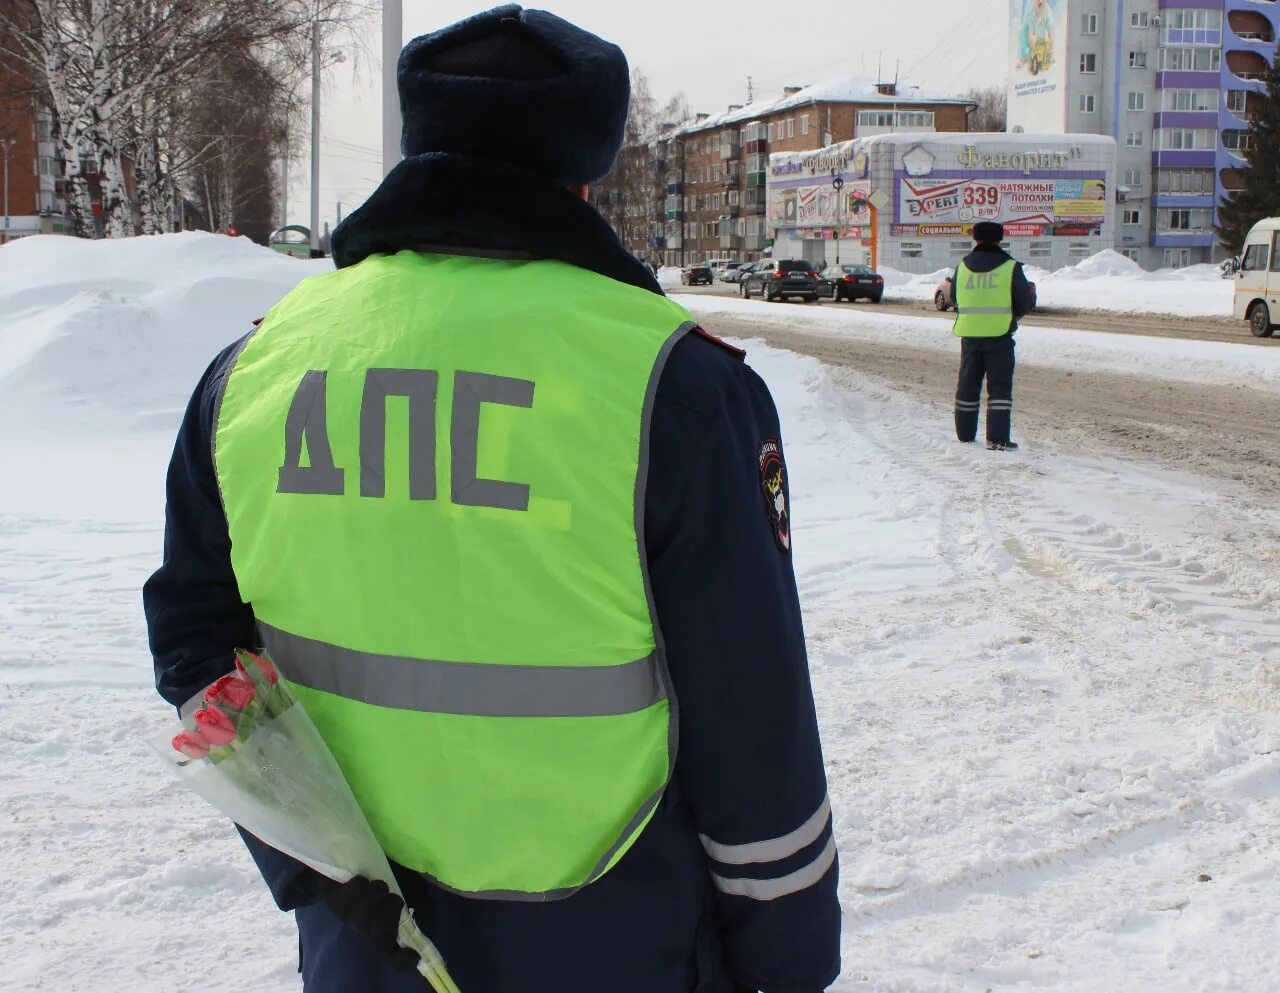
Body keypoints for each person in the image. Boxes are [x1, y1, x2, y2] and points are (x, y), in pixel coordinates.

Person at [143, 6, 840, 993]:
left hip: (367, 933)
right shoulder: (670, 386)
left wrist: (312, 865)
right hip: (612, 933)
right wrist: (786, 957)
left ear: (419, 137)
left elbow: (196, 648)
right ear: (587, 166)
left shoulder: (256, 366)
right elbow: (748, 713)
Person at [951, 220, 1033, 451]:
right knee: (999, 388)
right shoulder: (1010, 267)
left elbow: (956, 298)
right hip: (999, 335)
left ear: (975, 238)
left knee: (967, 383)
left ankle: (965, 434)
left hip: (969, 335)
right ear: (1000, 238)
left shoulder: (963, 267)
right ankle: (997, 439)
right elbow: (1024, 303)